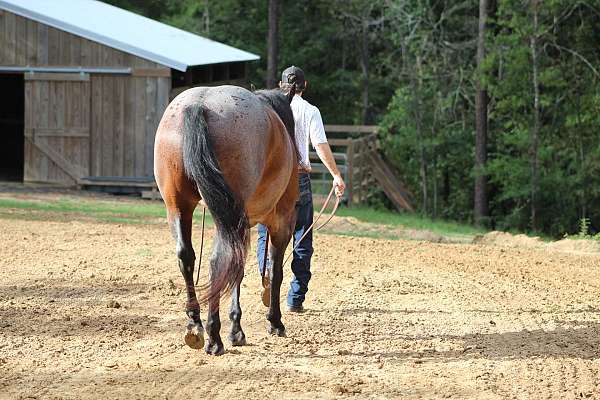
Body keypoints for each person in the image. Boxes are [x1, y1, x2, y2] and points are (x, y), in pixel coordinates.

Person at [257, 65, 346, 313]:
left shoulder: (267, 108)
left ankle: (265, 272)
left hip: (272, 179)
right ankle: (295, 299)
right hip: (299, 178)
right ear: (304, 86)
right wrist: (336, 175)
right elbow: (320, 145)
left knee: (266, 230)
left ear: (280, 85)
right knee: (302, 236)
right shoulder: (310, 111)